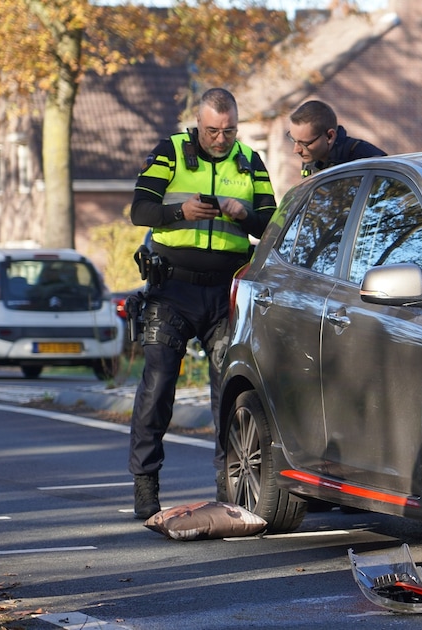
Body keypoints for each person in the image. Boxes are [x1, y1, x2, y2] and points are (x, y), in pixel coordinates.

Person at [127, 87, 277, 520]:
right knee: (157, 387)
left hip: (225, 290)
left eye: (229, 130)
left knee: (229, 393)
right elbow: (140, 210)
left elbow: (272, 225)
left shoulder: (249, 161)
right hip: (172, 289)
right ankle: (145, 484)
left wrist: (243, 214)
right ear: (198, 123)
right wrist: (181, 213)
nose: (221, 139)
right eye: (213, 130)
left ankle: (229, 484)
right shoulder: (170, 151)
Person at [287, 99, 385, 177]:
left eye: (304, 144)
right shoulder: (311, 161)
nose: (296, 150)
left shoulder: (366, 160)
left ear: (330, 136)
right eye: (294, 140)